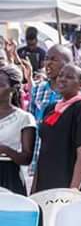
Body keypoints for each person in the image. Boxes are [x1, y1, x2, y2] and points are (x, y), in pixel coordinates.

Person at [32, 64, 81, 196]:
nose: (62, 79)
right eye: (61, 75)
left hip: (69, 184)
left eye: (69, 77)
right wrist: (34, 188)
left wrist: (72, 192)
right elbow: (43, 150)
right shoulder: (50, 109)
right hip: (47, 183)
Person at [0, 65, 35, 195]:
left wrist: (4, 149)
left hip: (9, 175)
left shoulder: (24, 118)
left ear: (13, 89)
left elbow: (26, 158)